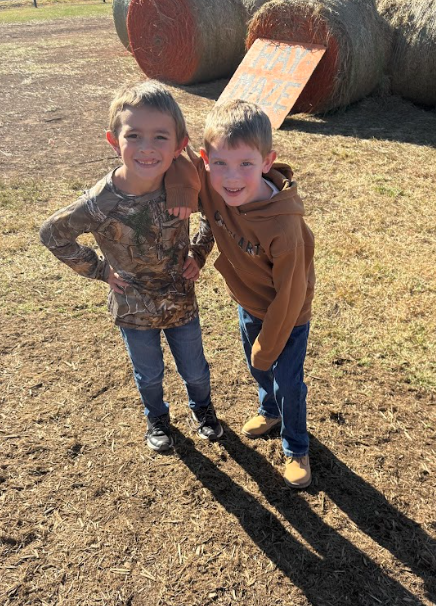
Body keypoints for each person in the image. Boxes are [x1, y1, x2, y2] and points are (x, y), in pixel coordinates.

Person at [40, 80, 222, 453]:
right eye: (134, 135)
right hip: (132, 309)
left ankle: (202, 408)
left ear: (179, 145)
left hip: (180, 303)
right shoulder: (100, 201)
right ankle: (156, 417)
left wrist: (199, 254)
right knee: (149, 375)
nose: (147, 148)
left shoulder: (183, 183)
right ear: (113, 141)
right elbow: (53, 234)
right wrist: (99, 269)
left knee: (196, 370)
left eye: (160, 137)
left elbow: (214, 216)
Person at [182, 99, 315, 488]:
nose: (231, 176)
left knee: (287, 380)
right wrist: (199, 251)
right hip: (249, 303)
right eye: (220, 163)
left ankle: (296, 447)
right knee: (258, 368)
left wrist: (269, 344)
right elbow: (183, 167)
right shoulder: (214, 182)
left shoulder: (283, 226)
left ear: (267, 160)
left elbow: (290, 294)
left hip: (288, 314)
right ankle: (268, 410)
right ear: (207, 159)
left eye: (245, 164)